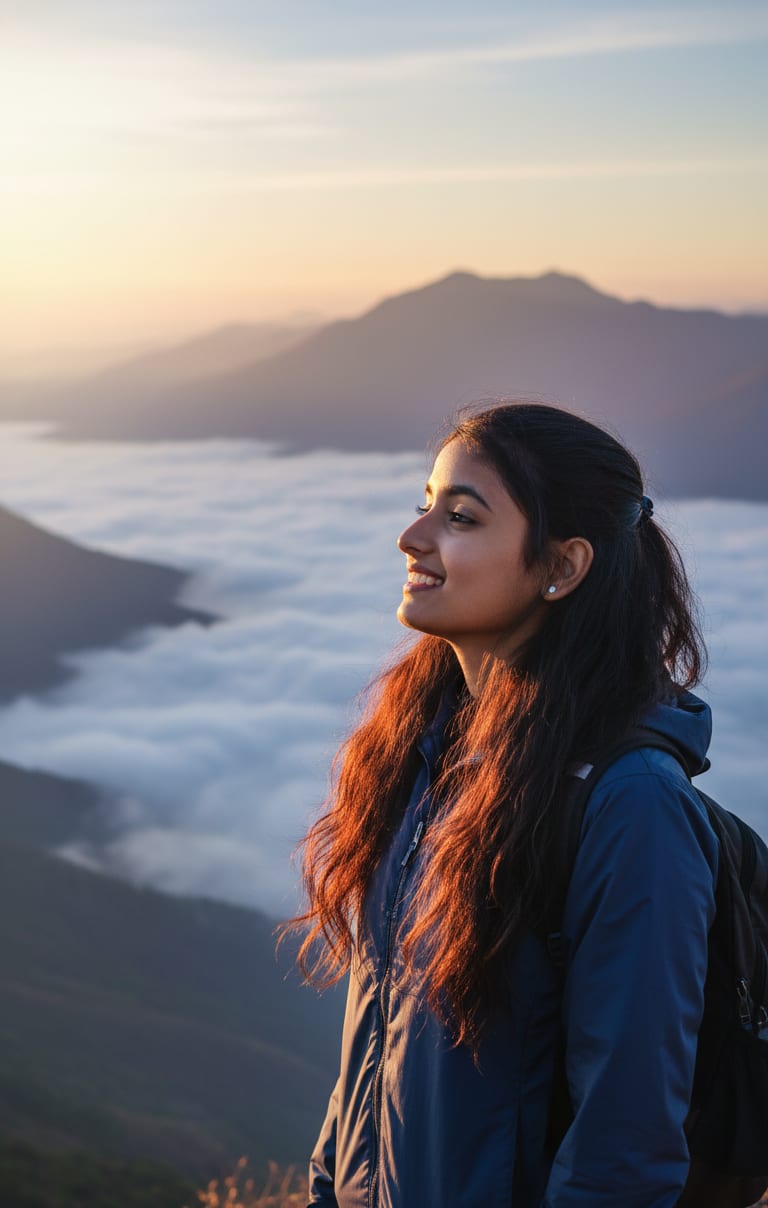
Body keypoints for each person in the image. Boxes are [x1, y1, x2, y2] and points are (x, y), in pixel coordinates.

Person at [290, 402, 719, 1207]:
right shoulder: (426, 754)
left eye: (460, 517)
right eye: (425, 504)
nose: (412, 537)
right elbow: (374, 1052)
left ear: (561, 566)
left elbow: (622, 1152)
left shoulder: (632, 806)